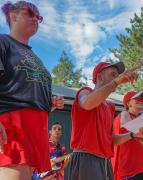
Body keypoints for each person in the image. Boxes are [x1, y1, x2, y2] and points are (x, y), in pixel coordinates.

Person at [0, 1, 64, 180]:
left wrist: (49, 104)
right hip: (12, 123)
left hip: (36, 127)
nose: (36, 18)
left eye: (39, 17)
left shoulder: (35, 57)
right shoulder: (3, 41)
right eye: (30, 13)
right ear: (13, 15)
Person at [68, 61, 143, 180]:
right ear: (99, 77)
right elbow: (87, 103)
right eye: (113, 74)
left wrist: (132, 135)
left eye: (117, 75)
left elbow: (111, 140)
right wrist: (116, 82)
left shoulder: (109, 106)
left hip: (105, 161)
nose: (117, 77)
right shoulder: (85, 91)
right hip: (86, 157)